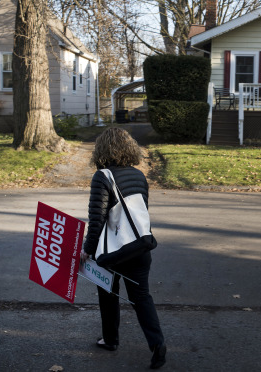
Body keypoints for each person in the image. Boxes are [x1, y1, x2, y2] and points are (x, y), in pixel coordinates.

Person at [80, 127, 166, 369]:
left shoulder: (102, 176)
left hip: (113, 254)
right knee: (141, 298)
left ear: (101, 150)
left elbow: (97, 219)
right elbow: (136, 216)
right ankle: (157, 344)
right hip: (139, 249)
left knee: (108, 295)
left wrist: (88, 248)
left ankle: (110, 340)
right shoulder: (139, 175)